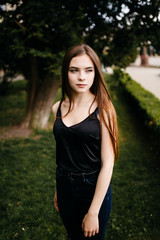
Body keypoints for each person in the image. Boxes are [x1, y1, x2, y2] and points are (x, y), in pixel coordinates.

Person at [52, 44, 118, 240]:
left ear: (96, 73)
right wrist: (59, 187)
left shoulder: (104, 110)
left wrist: (93, 212)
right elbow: (64, 152)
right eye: (74, 70)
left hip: (92, 187)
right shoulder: (58, 107)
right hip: (64, 183)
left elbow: (108, 165)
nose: (82, 77)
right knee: (73, 236)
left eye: (88, 70)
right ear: (66, 72)